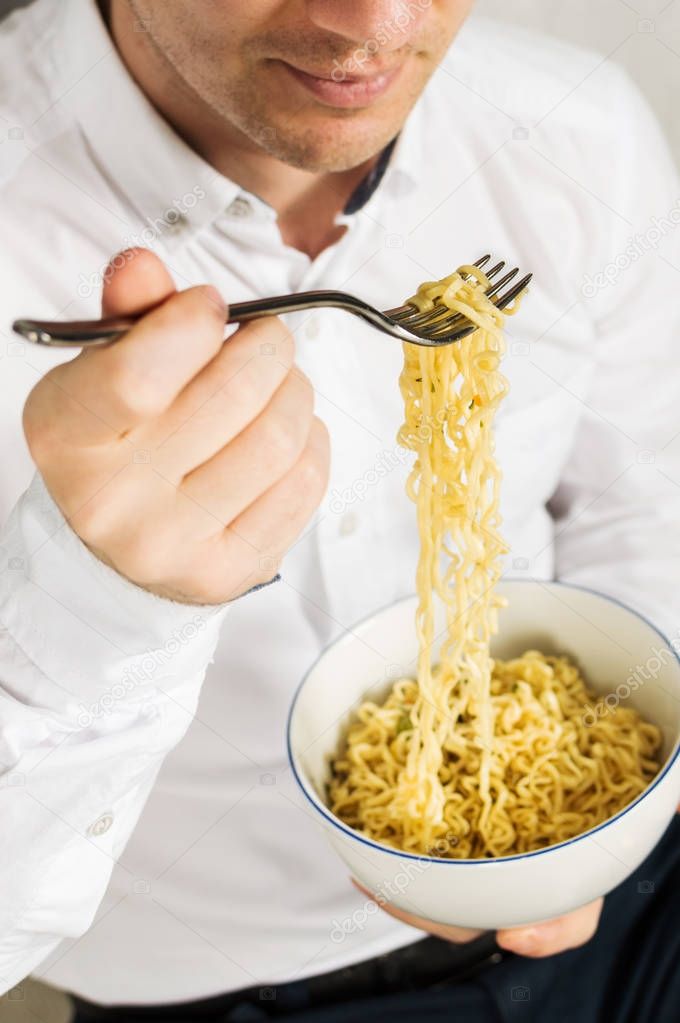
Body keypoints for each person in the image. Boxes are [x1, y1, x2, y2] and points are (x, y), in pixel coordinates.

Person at [1, 0, 679, 1019]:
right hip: (218, 989)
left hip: (630, 882)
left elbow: (643, 499)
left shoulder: (575, 128)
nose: (375, 22)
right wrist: (94, 605)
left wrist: (618, 800)